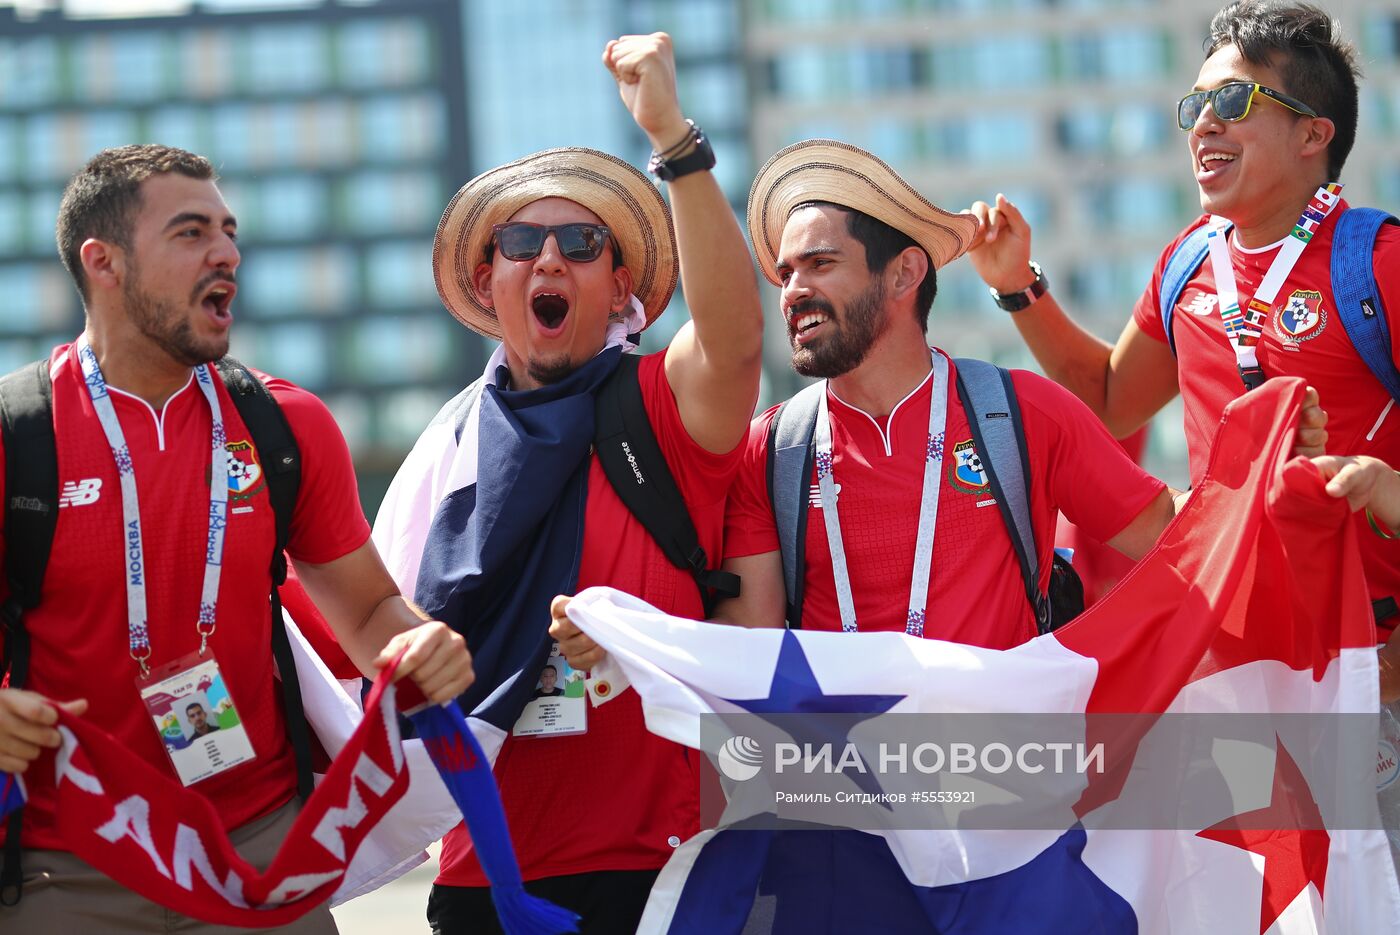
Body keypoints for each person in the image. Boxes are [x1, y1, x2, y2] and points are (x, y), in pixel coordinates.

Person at [0, 144, 474, 934]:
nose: (227, 252)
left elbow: (366, 613)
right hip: (70, 862)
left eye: (229, 230)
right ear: (103, 261)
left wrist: (419, 649)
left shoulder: (285, 425)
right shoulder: (19, 434)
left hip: (263, 856)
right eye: (191, 233)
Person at [373, 33, 762, 934]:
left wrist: (674, 139)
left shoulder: (660, 406)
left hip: (661, 867)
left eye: (581, 242)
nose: (549, 259)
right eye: (521, 241)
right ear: (489, 278)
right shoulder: (448, 448)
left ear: (619, 282)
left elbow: (738, 339)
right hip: (486, 873)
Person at [965, 0, 1400, 693]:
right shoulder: (1188, 264)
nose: (1204, 122)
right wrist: (1019, 287)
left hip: (1371, 665)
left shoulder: (1379, 264)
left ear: (1314, 133)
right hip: (1230, 667)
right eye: (1195, 102)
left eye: (1234, 97)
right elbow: (1110, 402)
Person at [712, 139, 1180, 639]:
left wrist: (1265, 488)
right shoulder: (771, 449)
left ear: (904, 274)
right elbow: (748, 640)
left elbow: (1177, 534)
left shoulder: (1023, 412)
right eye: (786, 274)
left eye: (820, 264)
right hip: (842, 721)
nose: (792, 291)